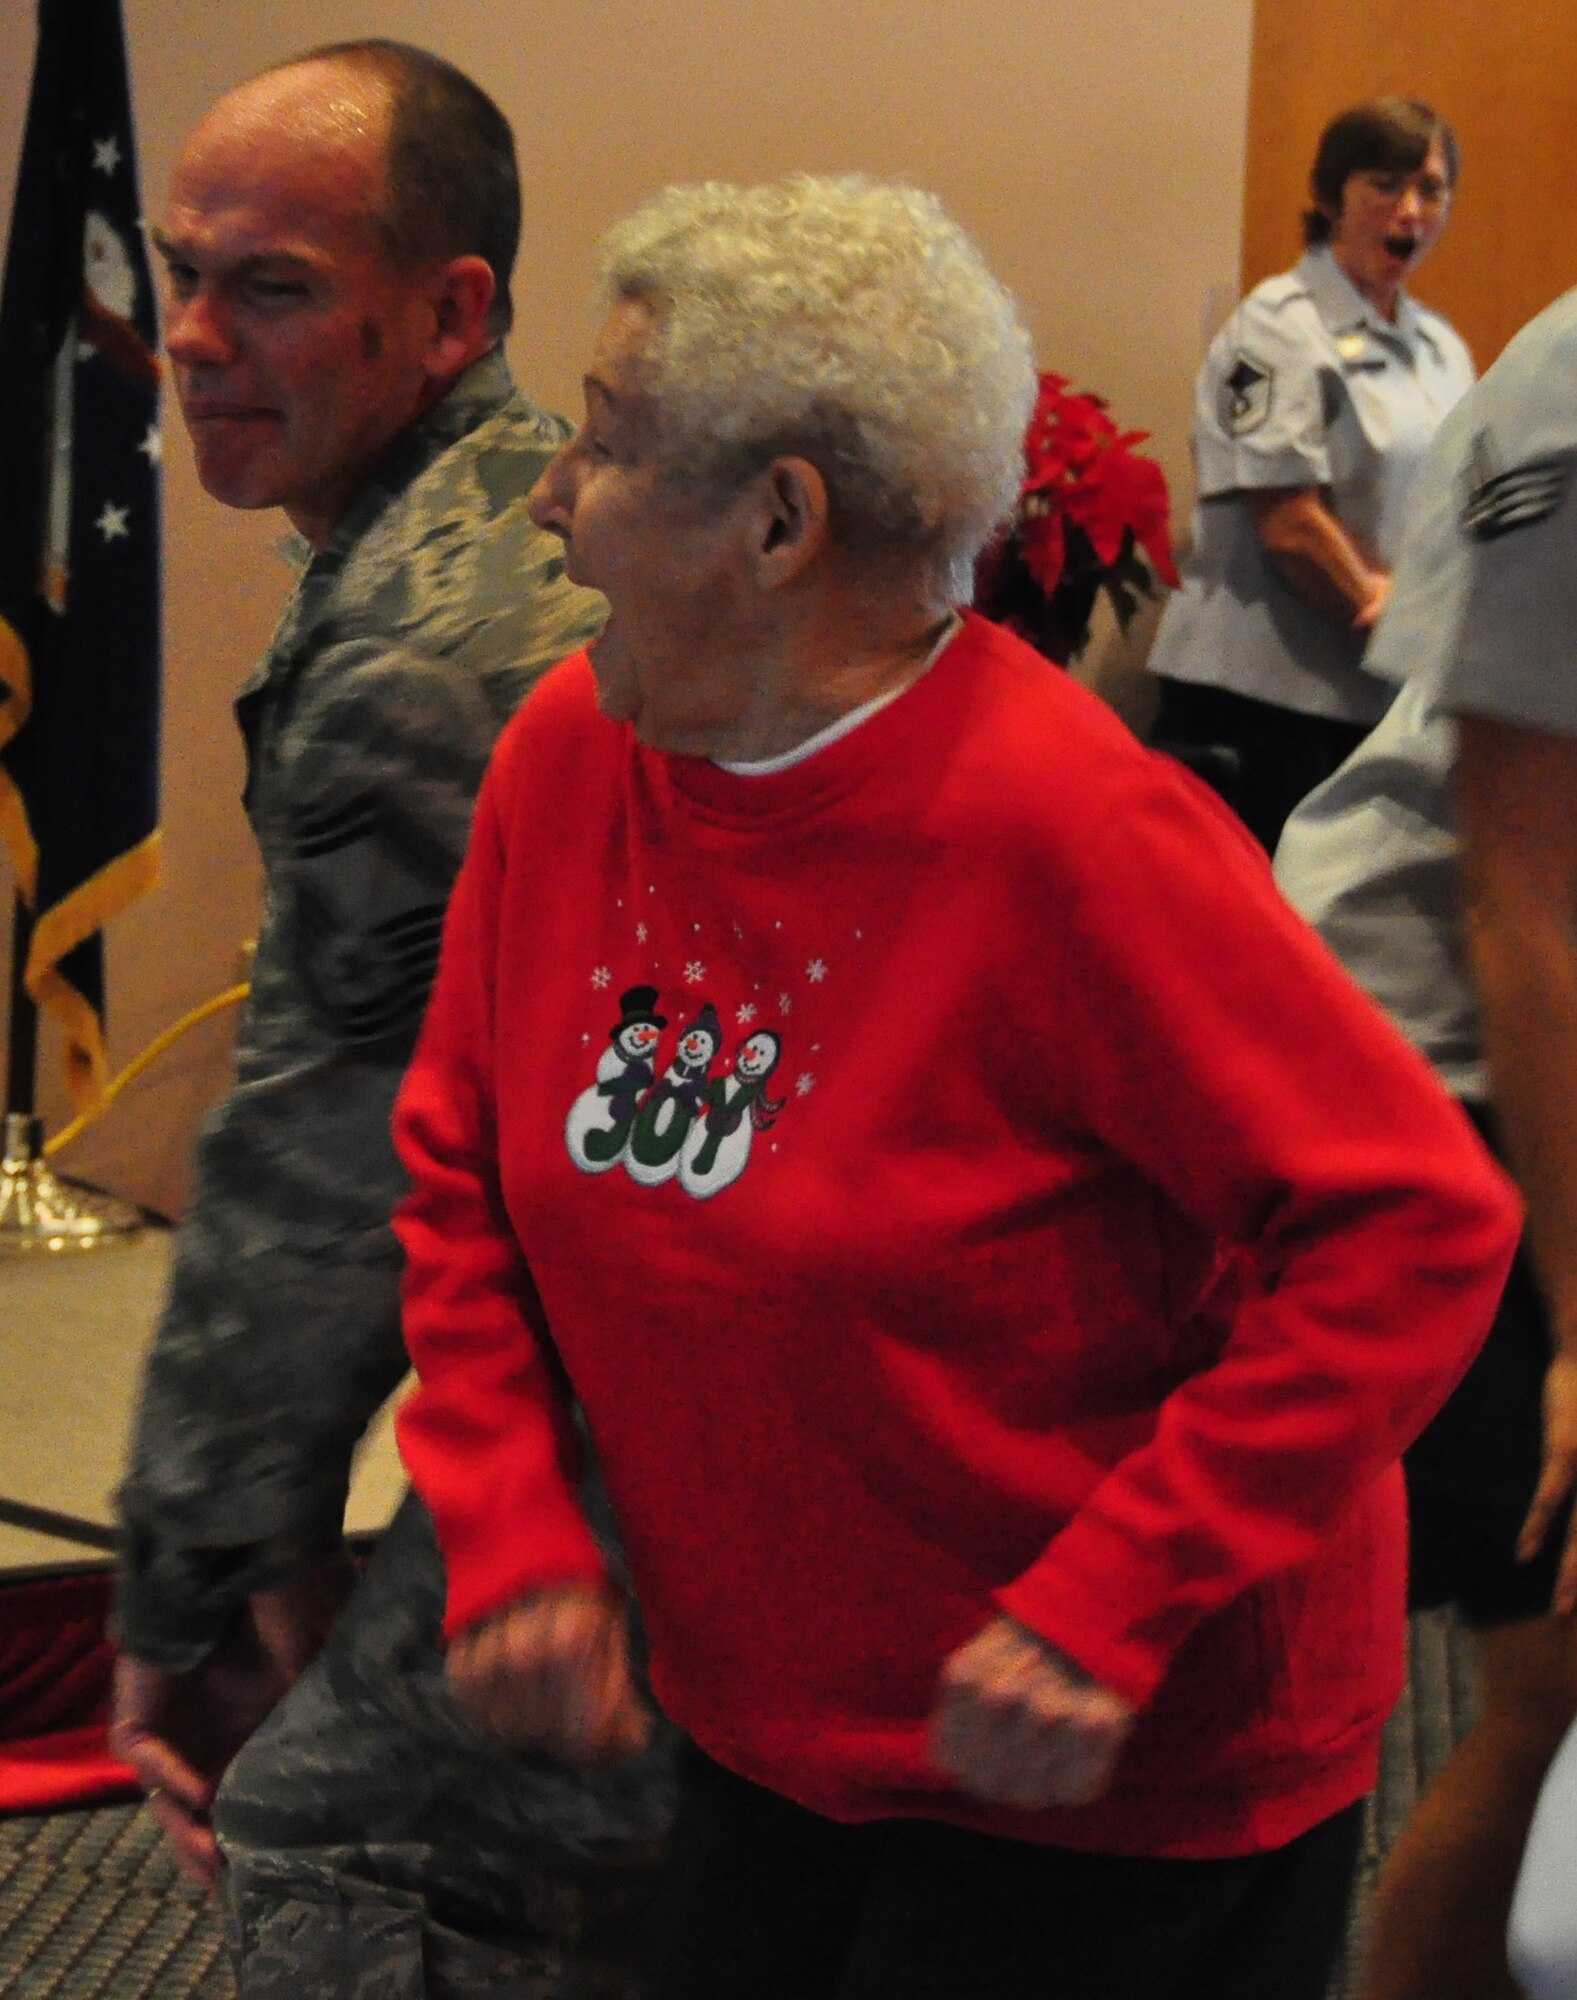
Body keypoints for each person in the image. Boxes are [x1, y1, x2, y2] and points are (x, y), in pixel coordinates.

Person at [390, 173, 1520, 2000]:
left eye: (598, 446)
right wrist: (510, 1521)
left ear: (780, 520)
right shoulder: (574, 752)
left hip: (1115, 1773)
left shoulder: (1070, 837)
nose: (547, 498)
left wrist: (1114, 1599)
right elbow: (460, 1164)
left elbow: (1411, 1227)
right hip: (775, 1723)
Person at [109, 41, 672, 1999]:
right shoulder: (546, 512)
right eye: (180, 274)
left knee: (324, 1820)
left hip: (711, 1399)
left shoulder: (419, 652)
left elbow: (321, 1166)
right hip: (761, 1332)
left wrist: (186, 1574)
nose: (186, 338)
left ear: (449, 314)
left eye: (264, 286)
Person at [1276, 286, 1577, 2000]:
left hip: (1531, 1035)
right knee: (1545, 1677)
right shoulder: (1563, 394)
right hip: (1421, 1068)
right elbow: (1513, 889)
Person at [1146, 96, 1472, 851]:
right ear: (1330, 197)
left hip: (1375, 697)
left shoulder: (1441, 347)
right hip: (1260, 706)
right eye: (1384, 185)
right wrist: (1388, 614)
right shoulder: (1275, 328)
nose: (1410, 211)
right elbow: (1288, 524)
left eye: (1430, 190)